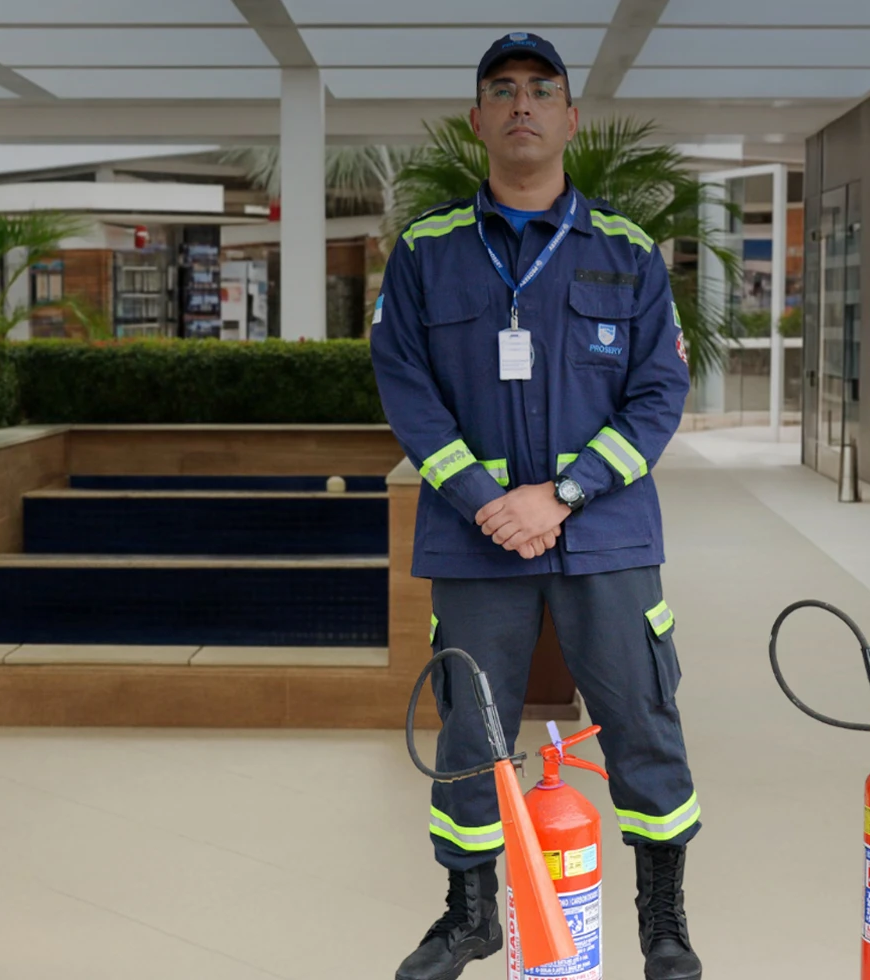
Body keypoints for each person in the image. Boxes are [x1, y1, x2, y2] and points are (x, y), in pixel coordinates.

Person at [370, 31, 702, 980]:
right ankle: (470, 912)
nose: (523, 103)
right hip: (476, 541)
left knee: (642, 715)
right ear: (477, 120)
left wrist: (562, 494)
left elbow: (659, 394)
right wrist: (487, 501)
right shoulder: (428, 251)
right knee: (472, 727)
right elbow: (406, 389)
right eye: (504, 90)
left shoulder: (626, 252)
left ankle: (664, 917)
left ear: (570, 119)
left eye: (542, 90)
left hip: (605, 534)